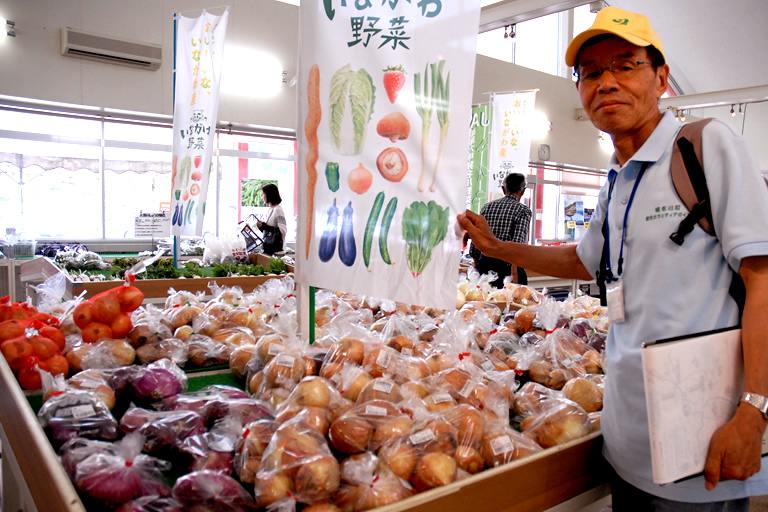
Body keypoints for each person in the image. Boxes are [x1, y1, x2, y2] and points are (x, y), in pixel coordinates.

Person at [458, 6, 768, 510]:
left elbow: (763, 279)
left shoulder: (704, 147)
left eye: (625, 65)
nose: (607, 83)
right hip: (626, 437)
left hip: (700, 436)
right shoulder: (618, 177)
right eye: (592, 72)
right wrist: (496, 248)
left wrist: (755, 410)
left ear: (662, 78)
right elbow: (583, 261)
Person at [468, 172, 532, 287]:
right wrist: (514, 273)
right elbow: (517, 243)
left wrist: (477, 265)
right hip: (507, 268)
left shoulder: (487, 207)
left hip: (486, 264)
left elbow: (476, 237)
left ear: (503, 189)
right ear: (523, 191)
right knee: (512, 302)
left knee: (485, 301)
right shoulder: (523, 210)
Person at [257, 183, 287, 255]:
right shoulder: (270, 210)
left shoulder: (278, 210)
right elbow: (269, 231)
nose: (262, 197)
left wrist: (266, 227)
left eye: (263, 194)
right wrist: (262, 227)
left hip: (276, 251)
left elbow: (282, 231)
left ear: (269, 194)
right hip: (268, 249)